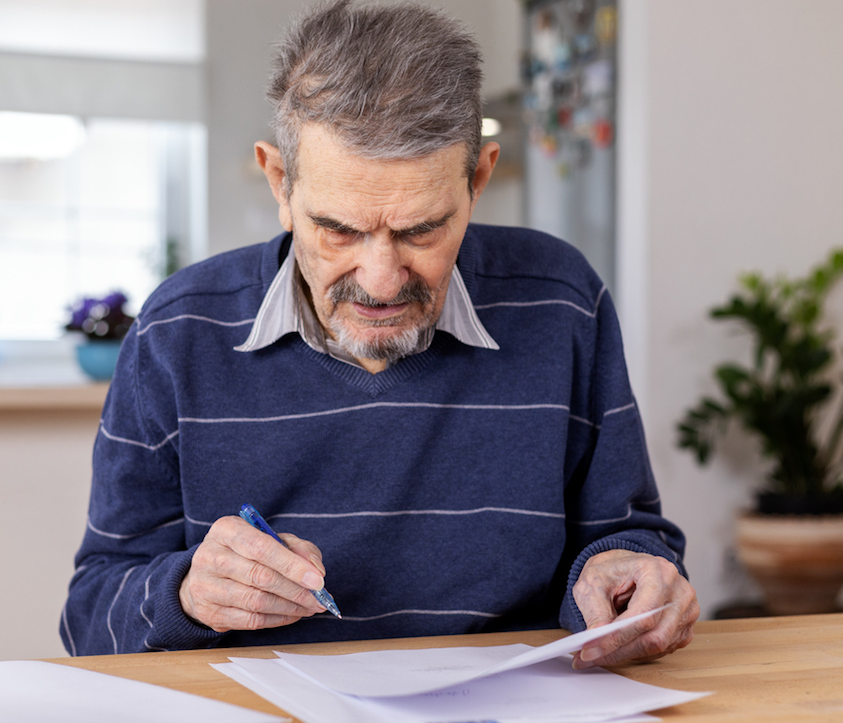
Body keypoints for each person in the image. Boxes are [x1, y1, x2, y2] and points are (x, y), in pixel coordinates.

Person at [61, 0, 698, 669]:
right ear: (280, 181)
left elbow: (628, 536)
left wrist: (630, 572)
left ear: (477, 178)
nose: (383, 280)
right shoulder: (177, 332)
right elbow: (89, 616)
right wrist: (187, 591)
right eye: (339, 229)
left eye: (421, 230)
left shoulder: (562, 302)